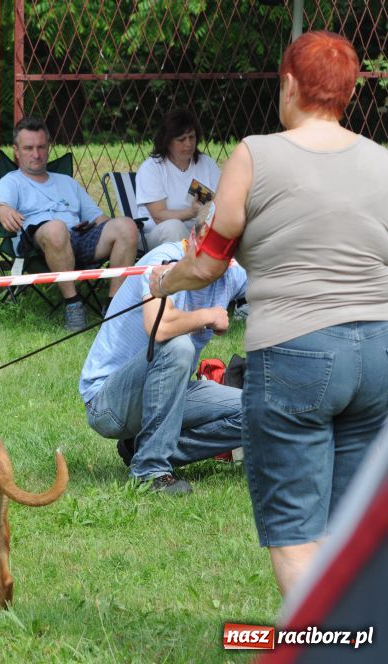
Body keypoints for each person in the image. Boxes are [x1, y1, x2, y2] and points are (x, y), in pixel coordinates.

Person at [150, 32, 388, 594]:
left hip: (296, 352)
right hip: (378, 354)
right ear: (348, 94)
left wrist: (165, 280)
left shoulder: (256, 153)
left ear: (289, 85)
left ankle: (319, 650)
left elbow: (209, 261)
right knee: (345, 528)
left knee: (295, 531)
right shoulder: (381, 161)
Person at [79, 221, 247, 495]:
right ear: (193, 238)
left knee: (259, 411)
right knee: (178, 345)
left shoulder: (231, 271)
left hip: (169, 391)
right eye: (211, 249)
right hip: (108, 403)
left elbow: (277, 285)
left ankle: (143, 448)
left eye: (225, 253)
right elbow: (160, 328)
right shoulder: (162, 262)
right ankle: (149, 472)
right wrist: (208, 316)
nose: (216, 262)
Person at [0, 117, 139, 331]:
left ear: (49, 147)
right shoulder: (11, 181)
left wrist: (106, 229)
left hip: (79, 238)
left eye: (41, 147)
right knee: (56, 228)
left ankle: (113, 306)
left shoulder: (67, 183)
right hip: (39, 244)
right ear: (16, 151)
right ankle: (73, 304)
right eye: (29, 148)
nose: (36, 154)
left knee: (126, 226)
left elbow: (99, 218)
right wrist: (3, 210)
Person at [135, 108, 221, 248]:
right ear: (167, 141)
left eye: (192, 137)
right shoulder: (152, 168)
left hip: (201, 231)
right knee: (174, 227)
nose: (188, 144)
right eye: (181, 139)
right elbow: (159, 216)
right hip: (159, 236)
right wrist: (192, 212)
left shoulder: (207, 164)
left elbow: (222, 201)